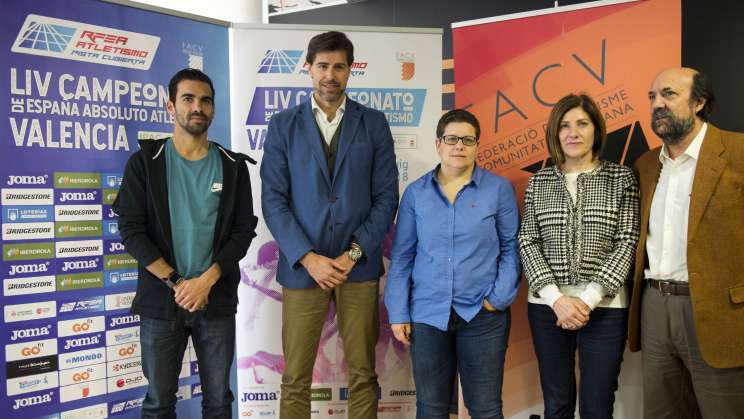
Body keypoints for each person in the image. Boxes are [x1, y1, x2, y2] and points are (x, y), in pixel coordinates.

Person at [628, 67, 744, 419]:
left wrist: (742, 285)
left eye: (669, 94)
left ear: (699, 102)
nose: (657, 104)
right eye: (652, 97)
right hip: (655, 309)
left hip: (725, 312)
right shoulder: (645, 165)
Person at [260, 31, 399, 419]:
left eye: (339, 66)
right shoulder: (283, 125)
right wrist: (309, 258)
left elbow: (387, 197)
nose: (330, 75)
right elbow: (273, 200)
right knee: (295, 378)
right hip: (303, 269)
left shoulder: (373, 124)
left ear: (350, 70)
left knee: (363, 375)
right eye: (322, 66)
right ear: (308, 68)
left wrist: (353, 254)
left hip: (358, 267)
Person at [113, 68, 258, 419]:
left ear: (213, 109)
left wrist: (206, 281)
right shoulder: (145, 164)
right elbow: (131, 231)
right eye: (188, 99)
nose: (197, 107)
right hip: (162, 301)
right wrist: (178, 283)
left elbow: (242, 232)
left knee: (219, 401)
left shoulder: (233, 166)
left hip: (215, 299)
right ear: (170, 106)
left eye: (205, 101)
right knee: (158, 403)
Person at [386, 109, 520, 419]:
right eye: (451, 139)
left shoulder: (498, 189)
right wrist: (398, 312)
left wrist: (498, 298)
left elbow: (511, 247)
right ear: (438, 144)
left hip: (483, 316)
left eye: (467, 140)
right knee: (431, 408)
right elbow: (402, 256)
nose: (459, 146)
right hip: (427, 314)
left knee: (485, 408)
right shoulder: (416, 193)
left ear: (477, 145)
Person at [519, 94, 639, 419]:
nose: (573, 133)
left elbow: (627, 242)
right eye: (564, 126)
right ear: (555, 133)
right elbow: (528, 240)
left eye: (582, 124)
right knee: (557, 405)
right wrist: (557, 299)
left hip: (605, 308)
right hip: (548, 308)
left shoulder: (621, 179)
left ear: (596, 130)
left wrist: (587, 300)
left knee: (597, 407)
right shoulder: (539, 182)